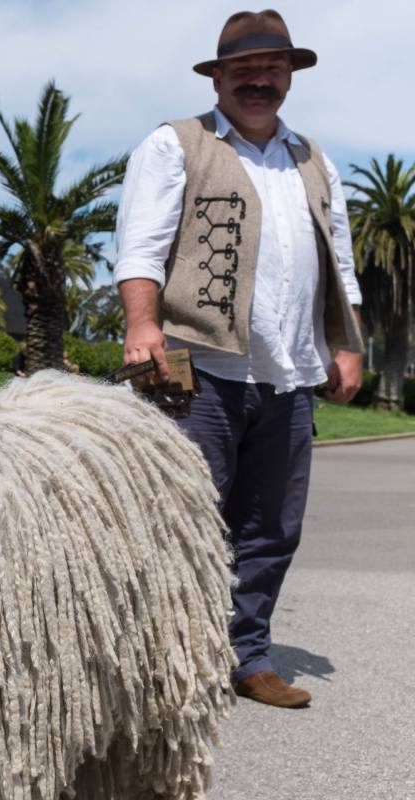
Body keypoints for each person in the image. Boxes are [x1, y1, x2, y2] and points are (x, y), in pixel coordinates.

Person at [114, 9, 364, 709]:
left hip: (287, 376)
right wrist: (143, 325)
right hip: (198, 372)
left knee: (270, 528)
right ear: (218, 76)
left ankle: (245, 656)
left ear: (289, 77)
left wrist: (347, 344)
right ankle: (164, 665)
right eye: (245, 69)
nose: (261, 80)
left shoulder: (313, 159)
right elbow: (139, 245)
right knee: (180, 520)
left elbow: (339, 262)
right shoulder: (176, 145)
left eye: (273, 68)